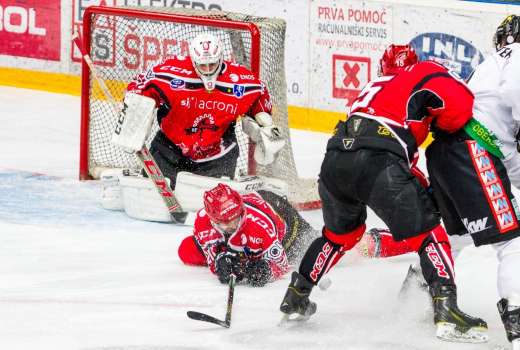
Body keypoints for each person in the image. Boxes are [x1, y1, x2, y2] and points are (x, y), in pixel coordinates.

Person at [278, 44, 489, 343]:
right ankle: (446, 310)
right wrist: (442, 125)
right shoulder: (421, 72)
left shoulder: (371, 88)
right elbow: (460, 105)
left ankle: (297, 295)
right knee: (429, 235)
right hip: (379, 162)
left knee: (337, 237)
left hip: (335, 160)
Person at [358, 17, 520, 349]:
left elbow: (507, 152)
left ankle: (414, 302)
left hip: (448, 153)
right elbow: (514, 95)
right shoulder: (515, 54)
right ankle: (518, 326)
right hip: (473, 152)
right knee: (513, 243)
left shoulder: (489, 67)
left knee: (454, 236)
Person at [123, 32, 282, 188]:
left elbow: (260, 95)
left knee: (218, 206)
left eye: (212, 64)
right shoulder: (171, 72)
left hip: (219, 154)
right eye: (202, 65)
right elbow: (141, 83)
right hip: (169, 148)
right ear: (193, 60)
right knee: (150, 199)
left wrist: (265, 125)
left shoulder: (242, 82)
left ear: (220, 59)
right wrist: (133, 111)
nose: (207, 70)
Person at [178, 183, 319, 287]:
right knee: (187, 249)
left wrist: (266, 270)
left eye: (237, 218)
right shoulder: (203, 222)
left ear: (241, 210)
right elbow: (213, 259)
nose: (234, 225)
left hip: (280, 214)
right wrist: (221, 262)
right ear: (213, 220)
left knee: (314, 248)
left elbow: (281, 264)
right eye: (226, 222)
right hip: (253, 207)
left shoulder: (260, 227)